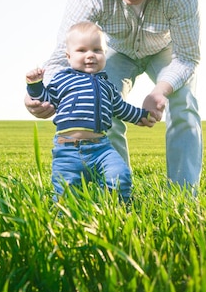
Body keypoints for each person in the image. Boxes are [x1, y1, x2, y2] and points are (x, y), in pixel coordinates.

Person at [25, 0, 202, 193]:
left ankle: (183, 197)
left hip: (166, 50)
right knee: (104, 103)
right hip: (117, 51)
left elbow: (187, 57)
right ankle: (116, 193)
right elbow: (64, 56)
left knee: (184, 104)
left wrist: (159, 91)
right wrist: (40, 95)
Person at [26, 21, 155, 203]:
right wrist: (35, 84)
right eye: (82, 50)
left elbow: (121, 109)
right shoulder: (62, 79)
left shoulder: (107, 85)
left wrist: (143, 115)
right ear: (68, 56)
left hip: (101, 148)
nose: (90, 55)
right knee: (67, 195)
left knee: (119, 175)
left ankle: (114, 208)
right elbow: (46, 98)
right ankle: (65, 222)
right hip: (68, 150)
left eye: (97, 50)